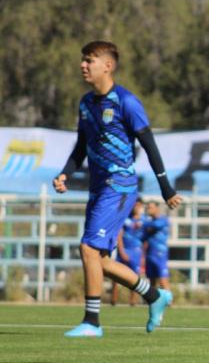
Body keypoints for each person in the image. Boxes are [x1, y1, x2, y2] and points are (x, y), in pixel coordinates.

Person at [53, 40, 181, 337]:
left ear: (107, 66)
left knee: (87, 248)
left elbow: (149, 144)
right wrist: (65, 173)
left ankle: (92, 322)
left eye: (90, 60)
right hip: (98, 188)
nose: (83, 65)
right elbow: (82, 146)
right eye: (83, 60)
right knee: (100, 259)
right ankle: (154, 296)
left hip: (120, 187)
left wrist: (166, 188)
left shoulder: (126, 102)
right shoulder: (86, 104)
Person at [111, 198, 146, 306]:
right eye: (135, 205)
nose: (136, 207)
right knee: (116, 277)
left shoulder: (144, 221)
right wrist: (121, 251)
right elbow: (119, 235)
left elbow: (146, 239)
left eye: (139, 205)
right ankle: (113, 301)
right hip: (124, 250)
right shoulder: (125, 218)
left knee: (135, 278)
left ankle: (133, 302)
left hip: (136, 252)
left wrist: (143, 255)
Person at [143, 200, 171, 291]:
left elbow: (156, 225)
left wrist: (143, 223)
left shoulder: (163, 220)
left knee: (163, 279)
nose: (148, 210)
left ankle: (169, 302)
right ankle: (154, 302)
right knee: (152, 281)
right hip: (150, 254)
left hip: (160, 254)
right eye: (147, 208)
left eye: (150, 208)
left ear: (157, 208)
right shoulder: (149, 222)